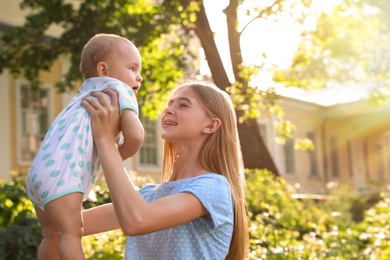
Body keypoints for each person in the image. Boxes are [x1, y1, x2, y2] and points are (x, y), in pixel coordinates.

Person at [81, 80, 249, 259]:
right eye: (170, 104)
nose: (167, 110)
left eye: (183, 105)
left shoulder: (214, 187)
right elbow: (66, 223)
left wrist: (106, 140)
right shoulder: (147, 198)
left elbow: (137, 221)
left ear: (210, 125)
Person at [25, 33, 144, 260]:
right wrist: (118, 156)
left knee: (51, 236)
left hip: (38, 175)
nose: (138, 77)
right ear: (104, 70)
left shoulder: (83, 93)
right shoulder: (118, 89)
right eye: (132, 68)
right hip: (62, 178)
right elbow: (136, 136)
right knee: (71, 234)